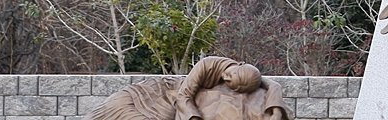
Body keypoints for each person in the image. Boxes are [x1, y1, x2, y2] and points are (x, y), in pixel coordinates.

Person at [86, 56, 290, 120]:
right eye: (230, 76)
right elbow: (184, 95)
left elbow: (273, 84)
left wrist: (276, 110)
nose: (226, 79)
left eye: (231, 85)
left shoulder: (246, 78)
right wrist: (194, 117)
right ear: (239, 64)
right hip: (170, 92)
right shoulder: (208, 64)